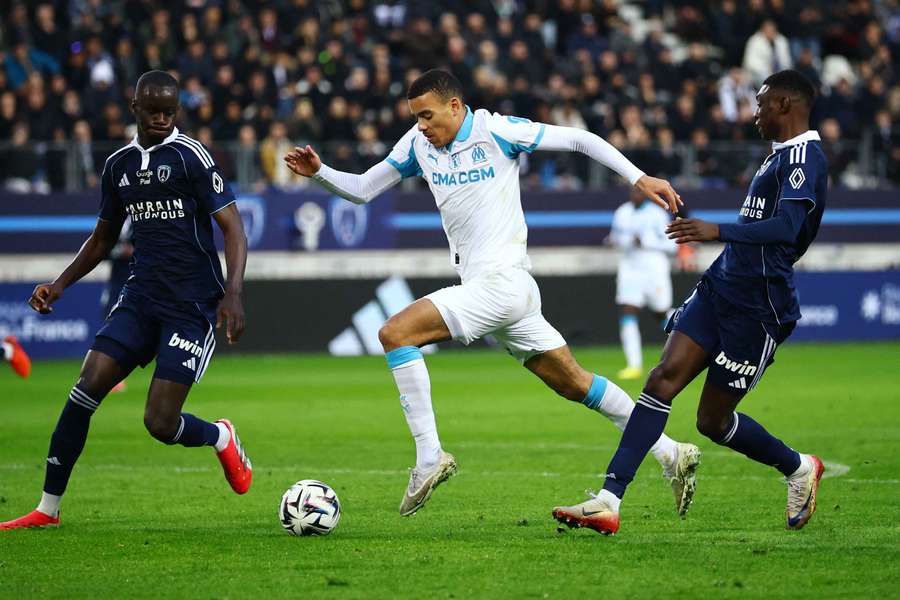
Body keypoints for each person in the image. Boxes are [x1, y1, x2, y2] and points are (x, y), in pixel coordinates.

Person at [285, 69, 701, 518]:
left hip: (502, 283)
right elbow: (364, 189)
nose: (422, 125)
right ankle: (670, 452)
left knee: (395, 334)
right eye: (415, 117)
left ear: (455, 107)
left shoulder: (496, 130)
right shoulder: (417, 144)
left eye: (427, 115)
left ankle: (430, 456)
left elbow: (581, 140)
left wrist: (639, 178)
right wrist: (320, 173)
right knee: (575, 383)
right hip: (501, 292)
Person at [553, 70, 827, 535]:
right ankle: (608, 499)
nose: (753, 112)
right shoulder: (775, 158)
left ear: (784, 103)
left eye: (760, 103)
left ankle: (798, 467)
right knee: (661, 380)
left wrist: (717, 230)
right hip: (721, 287)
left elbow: (787, 230)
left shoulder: (805, 158)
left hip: (759, 307)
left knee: (712, 421)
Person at [1, 71, 251, 530]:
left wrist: (232, 292)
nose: (161, 119)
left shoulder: (191, 157)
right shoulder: (117, 165)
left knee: (159, 422)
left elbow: (233, 227)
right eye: (152, 110)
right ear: (133, 106)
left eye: (169, 112)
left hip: (191, 305)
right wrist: (59, 285)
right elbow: (102, 238)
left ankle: (219, 436)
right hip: (140, 298)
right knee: (86, 385)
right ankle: (47, 509)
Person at [609, 188, 677, 380]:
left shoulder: (657, 214)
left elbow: (671, 245)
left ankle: (689, 344)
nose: (635, 195)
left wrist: (646, 241)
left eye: (639, 192)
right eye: (633, 191)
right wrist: (616, 241)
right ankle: (633, 365)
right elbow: (615, 237)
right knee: (628, 310)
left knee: (661, 313)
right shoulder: (622, 212)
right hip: (629, 269)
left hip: (653, 269)